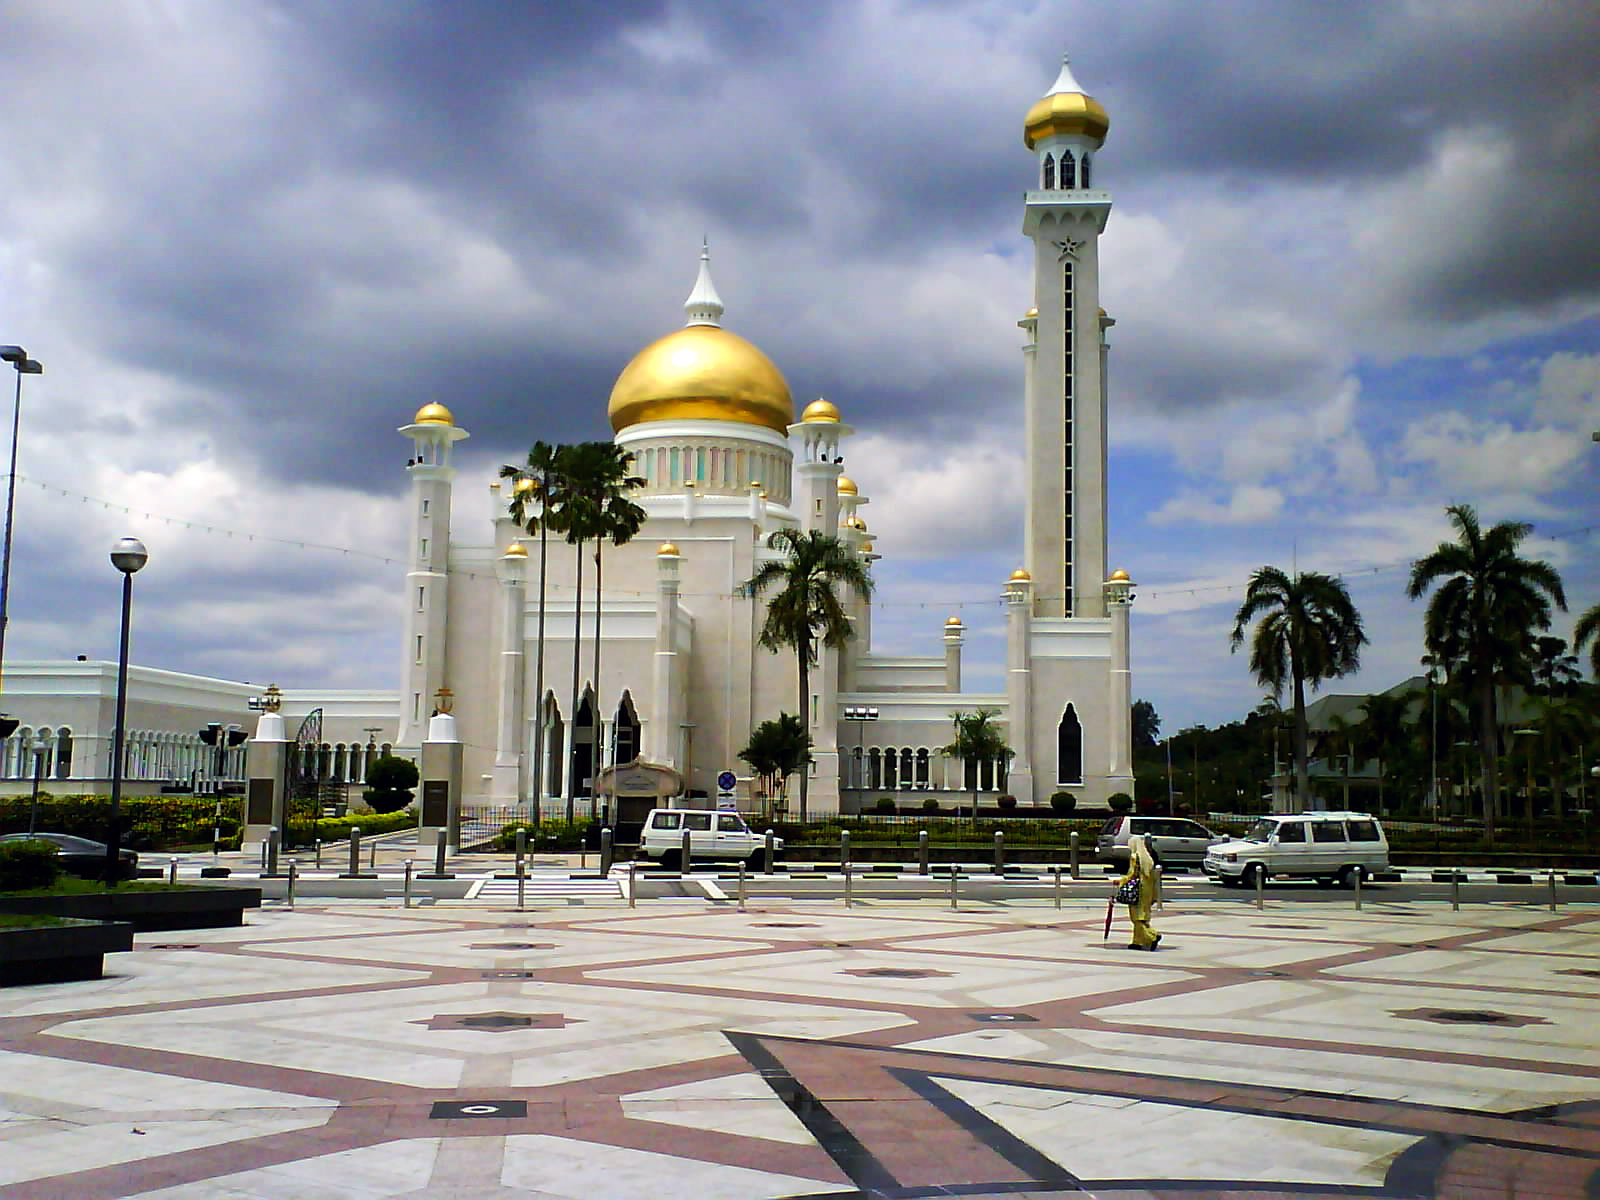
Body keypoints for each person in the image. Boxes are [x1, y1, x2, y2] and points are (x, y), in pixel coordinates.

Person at [1117, 834, 1162, 950]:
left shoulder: (1135, 857)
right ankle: (1137, 942)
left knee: (1137, 917)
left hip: (1138, 891)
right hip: (1147, 890)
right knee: (1143, 917)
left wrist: (1120, 881)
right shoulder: (1147, 859)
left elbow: (1132, 874)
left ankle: (1152, 935)